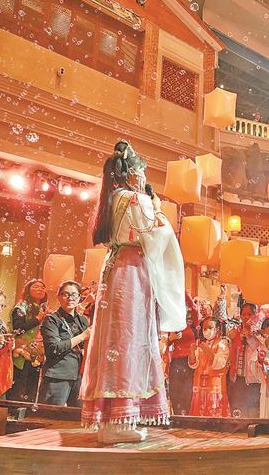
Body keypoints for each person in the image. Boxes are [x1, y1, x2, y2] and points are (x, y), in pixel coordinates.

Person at [80, 141, 186, 444]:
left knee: (112, 339)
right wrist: (158, 210)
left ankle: (110, 419)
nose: (144, 177)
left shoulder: (110, 199)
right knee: (129, 339)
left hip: (114, 269)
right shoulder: (135, 199)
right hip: (133, 272)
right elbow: (156, 235)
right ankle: (119, 420)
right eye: (142, 172)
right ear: (132, 173)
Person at [40, 281, 90, 407]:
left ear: (79, 298)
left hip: (79, 376)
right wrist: (82, 336)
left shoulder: (82, 320)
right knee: (50, 415)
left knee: (76, 417)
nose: (70, 298)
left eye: (74, 294)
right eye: (65, 294)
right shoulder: (51, 319)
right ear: (58, 297)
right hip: (57, 376)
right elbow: (54, 348)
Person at [9, 279, 47, 402]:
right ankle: (14, 411)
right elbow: (18, 328)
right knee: (19, 387)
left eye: (42, 287)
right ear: (27, 290)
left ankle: (28, 411)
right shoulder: (21, 307)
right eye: (36, 286)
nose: (40, 289)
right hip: (22, 353)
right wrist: (38, 319)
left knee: (32, 390)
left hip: (37, 354)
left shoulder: (43, 308)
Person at [188, 317, 230, 417]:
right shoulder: (201, 344)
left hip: (215, 385)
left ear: (217, 329)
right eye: (204, 328)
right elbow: (193, 364)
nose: (207, 330)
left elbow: (220, 363)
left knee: (215, 415)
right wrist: (192, 352)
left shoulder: (222, 344)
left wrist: (207, 350)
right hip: (200, 384)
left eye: (210, 328)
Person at [227, 302, 262, 418]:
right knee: (239, 408)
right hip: (238, 376)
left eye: (250, 314)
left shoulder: (259, 332)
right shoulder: (235, 331)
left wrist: (249, 337)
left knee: (253, 409)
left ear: (255, 315)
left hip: (253, 378)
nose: (246, 317)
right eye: (244, 314)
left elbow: (260, 350)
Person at [167, 298, 197, 416]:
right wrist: (171, 339)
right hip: (176, 361)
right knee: (175, 391)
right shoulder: (171, 324)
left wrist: (181, 291)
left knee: (187, 390)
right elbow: (164, 343)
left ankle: (187, 416)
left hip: (189, 361)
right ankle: (177, 416)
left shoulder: (192, 322)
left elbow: (194, 308)